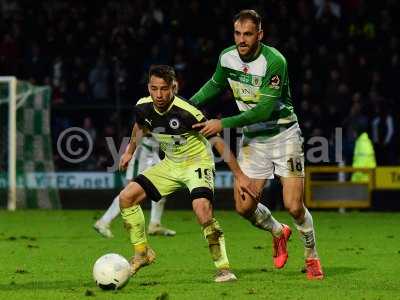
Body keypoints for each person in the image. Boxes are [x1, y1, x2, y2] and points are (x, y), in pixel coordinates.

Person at [190, 10, 323, 279]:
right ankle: (278, 231)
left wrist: (222, 123)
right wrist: (187, 107)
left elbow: (263, 110)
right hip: (253, 140)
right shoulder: (227, 57)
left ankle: (311, 256)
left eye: (248, 34)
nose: (242, 40)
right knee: (243, 207)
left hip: (284, 135)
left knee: (294, 205)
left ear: (259, 35)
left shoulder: (275, 62)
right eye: (238, 34)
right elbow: (215, 85)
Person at [118, 64, 257, 282]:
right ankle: (142, 253)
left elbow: (217, 141)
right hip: (171, 164)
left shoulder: (188, 111)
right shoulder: (143, 107)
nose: (159, 94)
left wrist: (239, 175)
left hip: (197, 163)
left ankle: (223, 268)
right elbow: (139, 127)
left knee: (202, 210)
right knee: (126, 198)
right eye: (154, 89)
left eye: (164, 89)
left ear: (174, 87)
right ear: (148, 87)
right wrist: (128, 152)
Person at [93, 135, 176, 238]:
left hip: (152, 153)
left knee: (162, 187)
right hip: (141, 153)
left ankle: (155, 224)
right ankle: (103, 222)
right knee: (129, 193)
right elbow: (145, 129)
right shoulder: (151, 119)